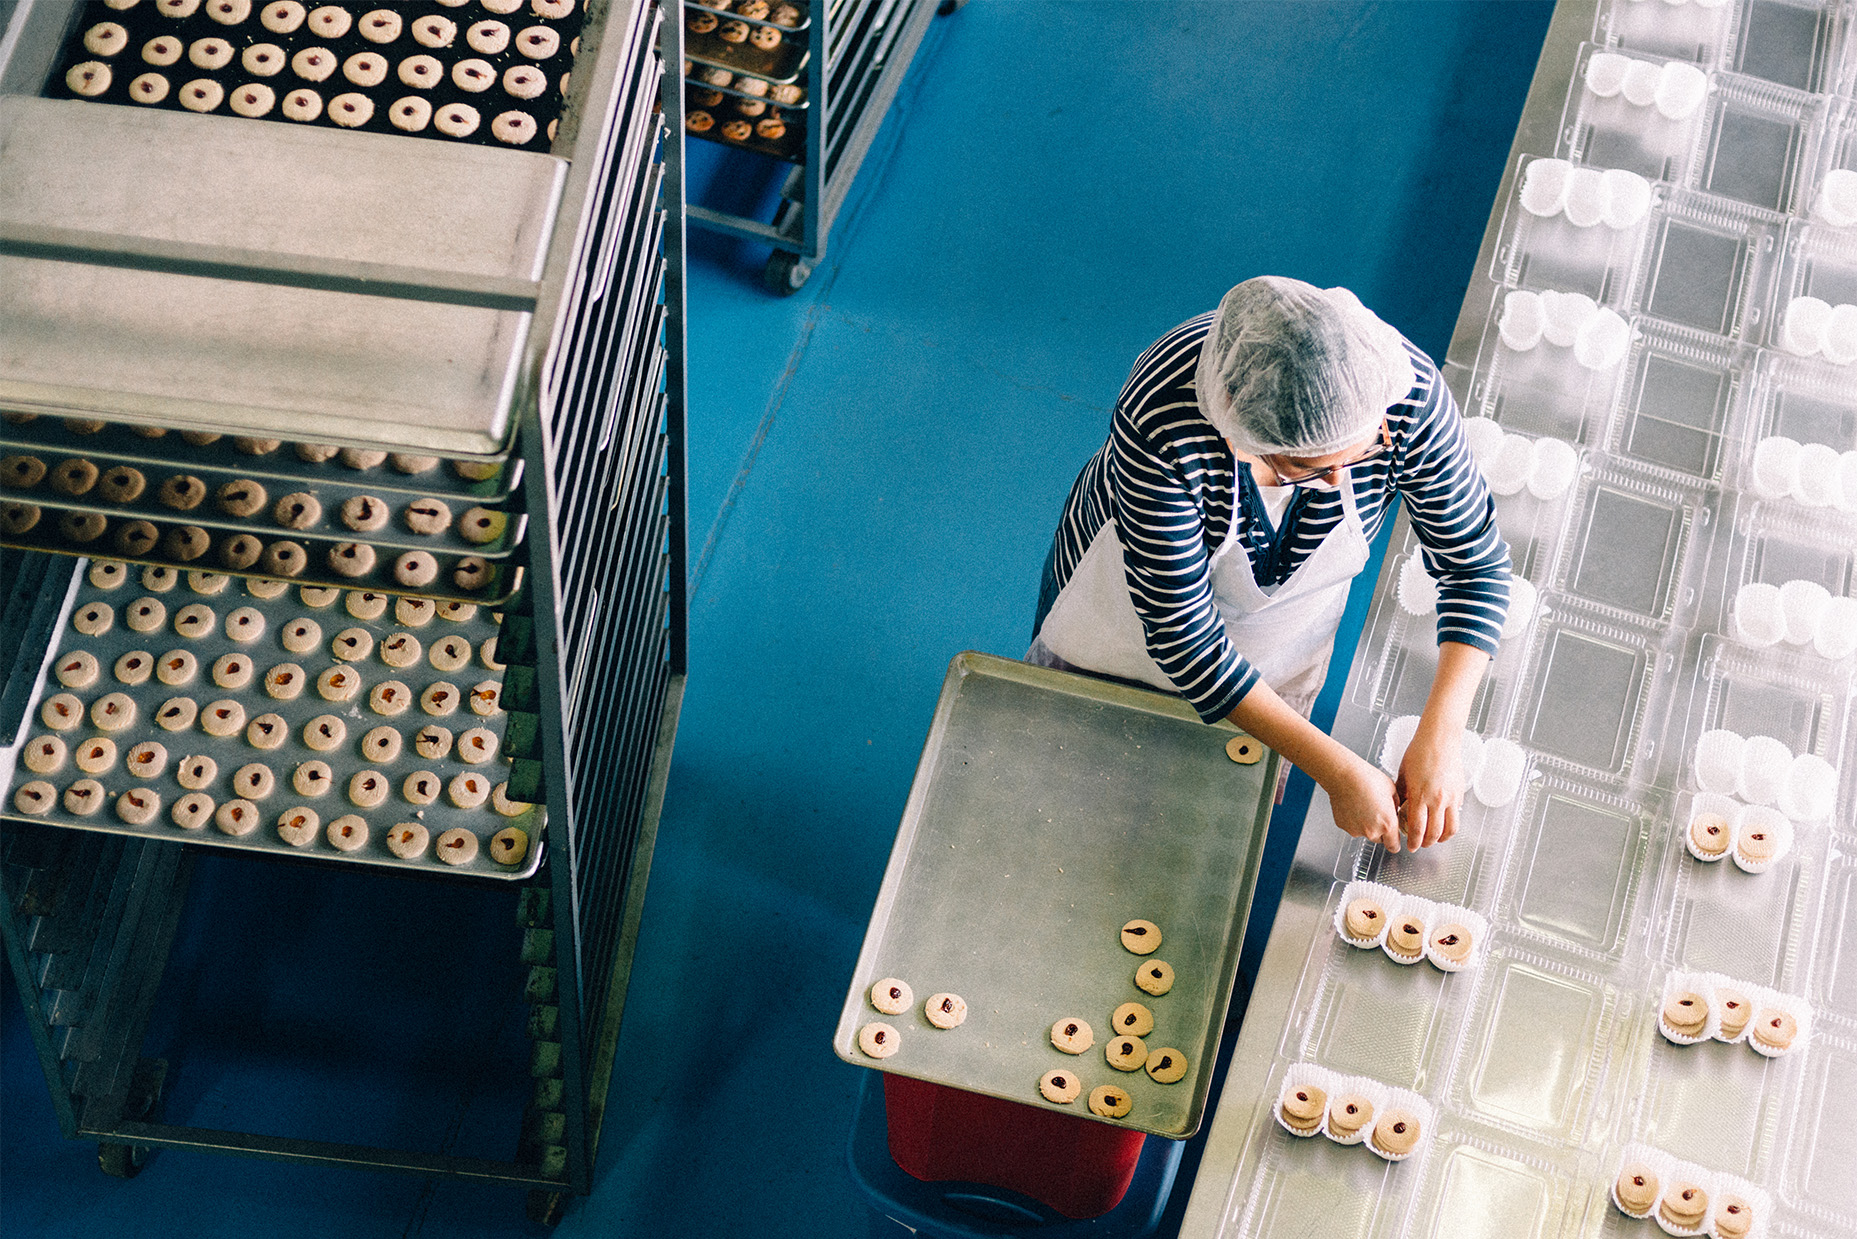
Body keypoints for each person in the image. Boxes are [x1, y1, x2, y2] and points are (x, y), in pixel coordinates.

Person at [1028, 276, 1510, 854]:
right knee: (1063, 783)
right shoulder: (1165, 423)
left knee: (1201, 823)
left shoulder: (1395, 391)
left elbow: (1474, 564)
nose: (1338, 482)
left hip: (1284, 624)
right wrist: (1334, 771)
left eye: (1358, 456)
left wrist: (1443, 733)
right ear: (1241, 440)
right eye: (1310, 469)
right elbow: (1185, 639)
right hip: (1122, 616)